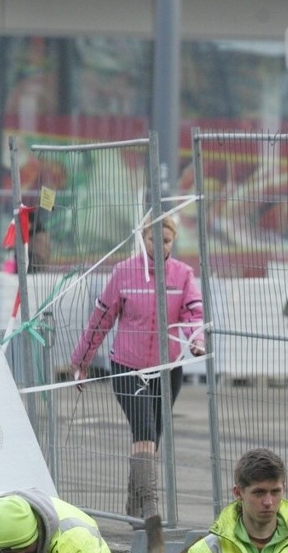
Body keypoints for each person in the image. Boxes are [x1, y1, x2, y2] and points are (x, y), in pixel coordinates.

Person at [70, 211, 205, 519]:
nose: (159, 246)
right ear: (143, 239)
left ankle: (134, 502)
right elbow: (101, 319)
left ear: (173, 241)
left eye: (166, 240)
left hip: (167, 369)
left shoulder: (183, 275)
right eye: (152, 239)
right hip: (127, 367)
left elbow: (193, 313)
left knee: (153, 434)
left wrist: (197, 340)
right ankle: (150, 507)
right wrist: (82, 361)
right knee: (143, 429)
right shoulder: (123, 272)